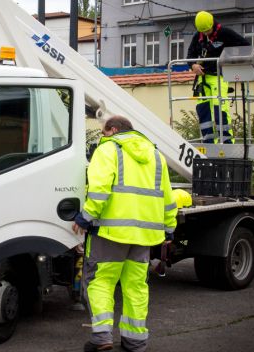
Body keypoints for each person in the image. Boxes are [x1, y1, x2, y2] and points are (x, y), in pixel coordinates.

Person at [73, 115, 177, 352]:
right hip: (144, 237)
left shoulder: (108, 149)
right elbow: (168, 198)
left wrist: (85, 216)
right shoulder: (156, 155)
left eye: (103, 132)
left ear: (112, 130)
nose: (101, 136)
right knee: (136, 287)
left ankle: (102, 338)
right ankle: (135, 340)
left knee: (101, 283)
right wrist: (169, 228)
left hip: (111, 233)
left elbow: (99, 189)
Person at [187, 11, 250, 144]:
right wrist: (193, 65)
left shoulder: (224, 33)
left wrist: (228, 61)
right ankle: (209, 142)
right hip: (203, 79)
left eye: (207, 31)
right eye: (203, 32)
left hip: (219, 77)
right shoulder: (198, 35)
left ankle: (226, 142)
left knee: (220, 110)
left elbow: (245, 45)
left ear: (213, 25)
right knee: (203, 111)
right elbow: (190, 55)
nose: (205, 34)